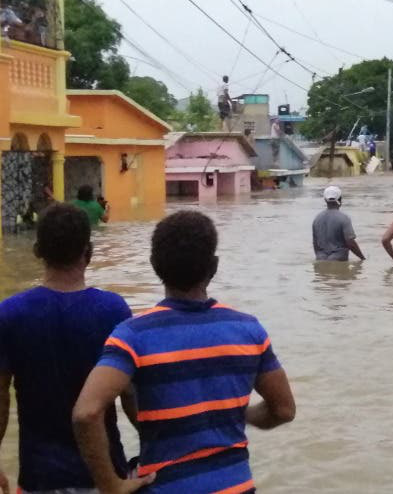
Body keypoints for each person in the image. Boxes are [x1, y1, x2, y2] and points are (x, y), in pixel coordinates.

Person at [73, 211, 296, 493]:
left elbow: (86, 413)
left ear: (155, 264)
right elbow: (284, 410)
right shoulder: (248, 330)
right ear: (213, 267)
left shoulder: (133, 335)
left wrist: (111, 485)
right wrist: (241, 414)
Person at [0, 204, 133, 494]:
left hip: (39, 478)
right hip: (106, 477)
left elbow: (0, 401)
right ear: (90, 252)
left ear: (36, 251)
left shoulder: (10, 314)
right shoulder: (113, 310)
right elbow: (132, 398)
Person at [312, 186, 365, 261]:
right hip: (338, 259)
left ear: (325, 200)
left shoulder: (317, 219)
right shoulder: (344, 218)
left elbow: (315, 244)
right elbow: (350, 242)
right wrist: (362, 258)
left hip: (320, 259)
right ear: (340, 199)